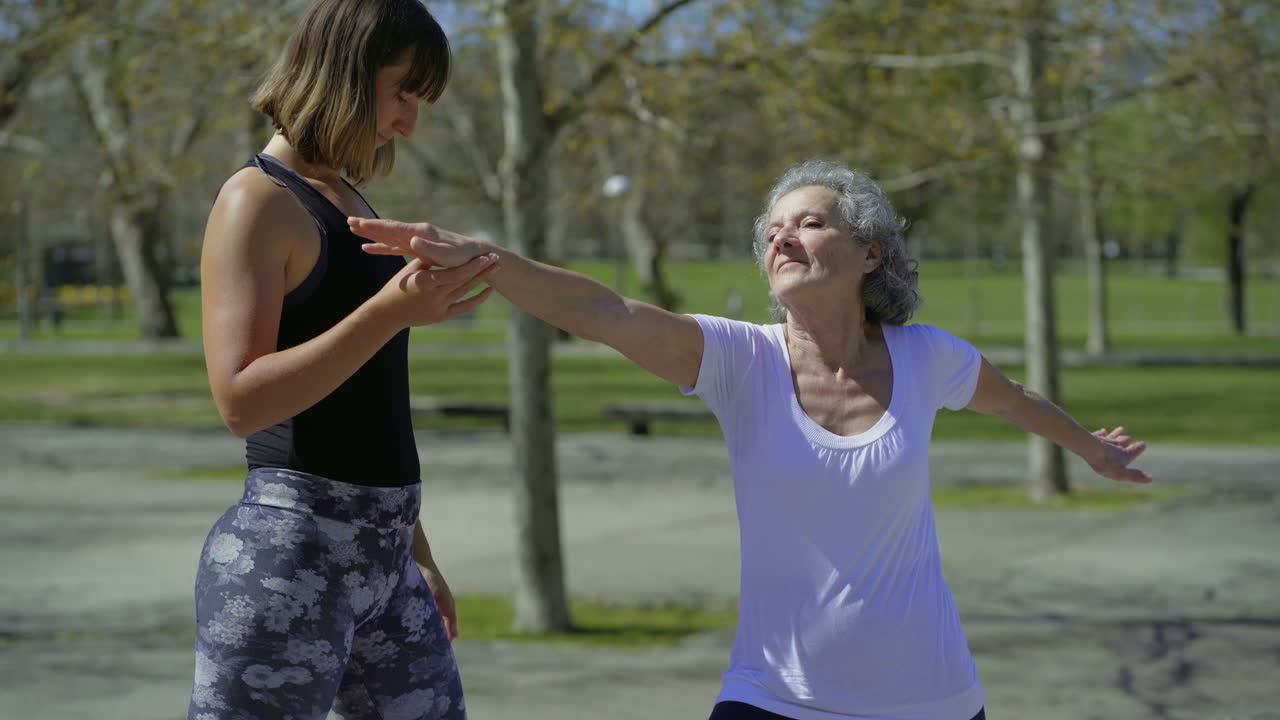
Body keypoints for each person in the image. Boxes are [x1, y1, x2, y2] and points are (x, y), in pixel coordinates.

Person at [349, 158, 1153, 720]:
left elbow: (1017, 400)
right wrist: (484, 259)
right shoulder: (742, 361)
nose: (783, 238)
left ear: (871, 251)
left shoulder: (928, 357)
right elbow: (605, 312)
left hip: (928, 698)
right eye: (773, 230)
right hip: (773, 694)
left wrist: (1090, 448)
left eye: (810, 222)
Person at [190, 2, 496, 718]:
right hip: (289, 556)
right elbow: (241, 401)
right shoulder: (254, 200)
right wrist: (390, 310)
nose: (410, 123)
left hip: (387, 555)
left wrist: (415, 551)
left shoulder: (348, 198)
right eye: (404, 92)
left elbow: (367, 398)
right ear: (345, 75)